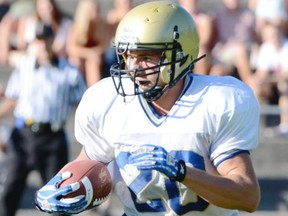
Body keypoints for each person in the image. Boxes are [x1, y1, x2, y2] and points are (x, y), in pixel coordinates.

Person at [34, 1, 260, 215]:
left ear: (180, 55)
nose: (134, 67)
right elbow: (87, 163)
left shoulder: (216, 100)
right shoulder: (109, 101)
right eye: (128, 56)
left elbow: (247, 196)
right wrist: (61, 185)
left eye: (145, 56)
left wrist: (181, 172)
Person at [0, 21, 87, 216]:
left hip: (52, 137)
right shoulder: (25, 66)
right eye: (38, 40)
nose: (43, 45)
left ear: (52, 40)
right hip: (24, 134)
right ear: (33, 43)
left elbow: (83, 103)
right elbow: (13, 100)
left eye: (46, 39)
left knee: (59, 197)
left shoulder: (68, 71)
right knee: (8, 190)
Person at [209, 0, 257, 86]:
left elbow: (256, 36)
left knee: (240, 49)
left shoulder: (248, 14)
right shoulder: (217, 15)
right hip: (225, 52)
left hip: (245, 50)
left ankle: (250, 86)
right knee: (216, 72)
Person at [66, 0, 108, 87]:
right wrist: (89, 53)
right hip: (81, 59)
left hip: (95, 58)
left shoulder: (101, 25)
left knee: (92, 63)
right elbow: (71, 48)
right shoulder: (77, 28)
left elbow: (103, 46)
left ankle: (94, 90)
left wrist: (93, 53)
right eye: (93, 10)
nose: (96, 12)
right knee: (78, 60)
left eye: (97, 9)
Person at [178, 0, 214, 75]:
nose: (191, 2)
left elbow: (205, 41)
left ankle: (199, 82)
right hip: (180, 50)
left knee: (201, 53)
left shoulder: (204, 19)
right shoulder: (176, 17)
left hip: (197, 51)